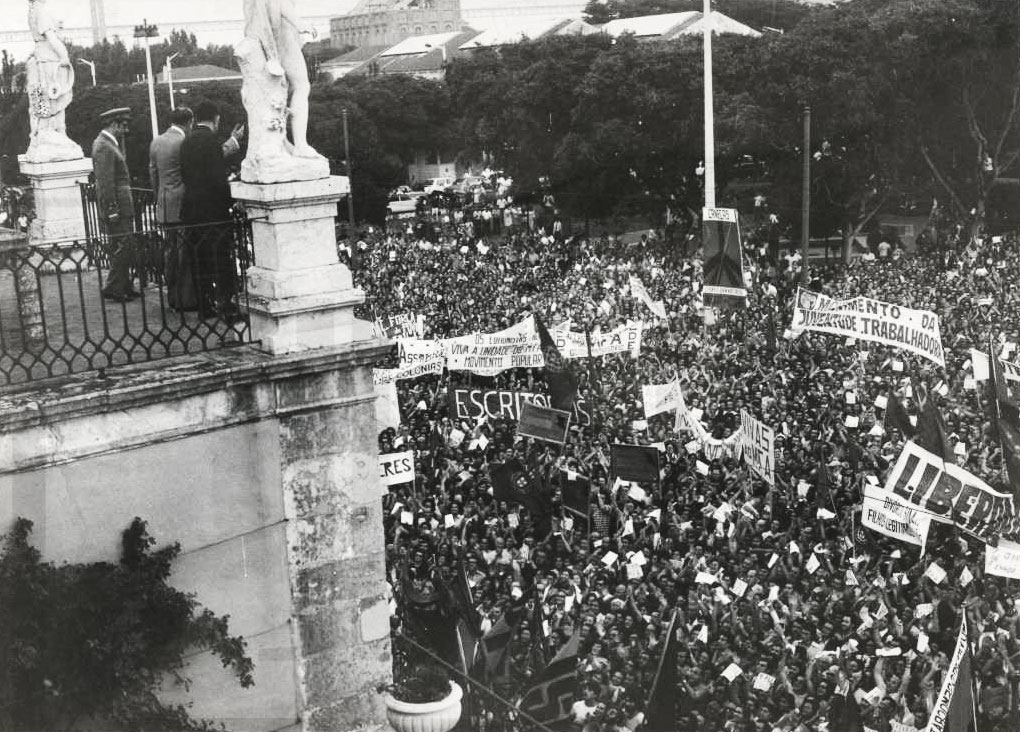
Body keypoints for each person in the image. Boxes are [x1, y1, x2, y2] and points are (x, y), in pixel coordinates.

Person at [150, 108, 245, 311]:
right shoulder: (188, 141)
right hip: (206, 208)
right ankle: (213, 303)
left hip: (177, 206)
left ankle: (190, 301)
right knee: (213, 257)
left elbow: (154, 174)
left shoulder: (163, 141)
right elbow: (214, 166)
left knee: (184, 257)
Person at [179, 100, 239, 319]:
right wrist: (230, 200)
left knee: (199, 259)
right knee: (220, 258)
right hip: (212, 211)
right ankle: (226, 304)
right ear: (216, 119)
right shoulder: (211, 141)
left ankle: (205, 304)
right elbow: (217, 179)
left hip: (191, 209)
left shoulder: (186, 141)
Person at [24, 0, 81, 162]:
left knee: (48, 98)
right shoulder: (41, 12)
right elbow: (51, 39)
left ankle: (53, 134)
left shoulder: (34, 10)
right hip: (49, 61)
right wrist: (64, 56)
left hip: (42, 58)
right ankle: (56, 134)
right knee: (55, 97)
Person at [92, 107, 138, 303]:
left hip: (120, 205)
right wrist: (111, 210)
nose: (125, 130)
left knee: (123, 245)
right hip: (117, 207)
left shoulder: (109, 144)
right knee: (123, 244)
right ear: (113, 124)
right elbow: (106, 182)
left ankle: (124, 286)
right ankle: (113, 287)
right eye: (123, 125)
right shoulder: (104, 146)